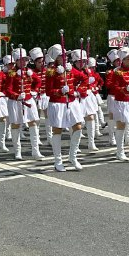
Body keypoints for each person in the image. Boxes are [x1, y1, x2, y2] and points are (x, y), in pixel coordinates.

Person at [45, 43, 86, 172]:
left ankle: (72, 157)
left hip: (72, 102)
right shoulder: (51, 72)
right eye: (62, 56)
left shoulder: (70, 69)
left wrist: (77, 90)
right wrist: (60, 91)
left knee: (78, 127)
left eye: (66, 55)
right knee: (58, 130)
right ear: (56, 58)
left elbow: (84, 78)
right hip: (58, 104)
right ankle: (58, 161)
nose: (65, 58)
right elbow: (48, 91)